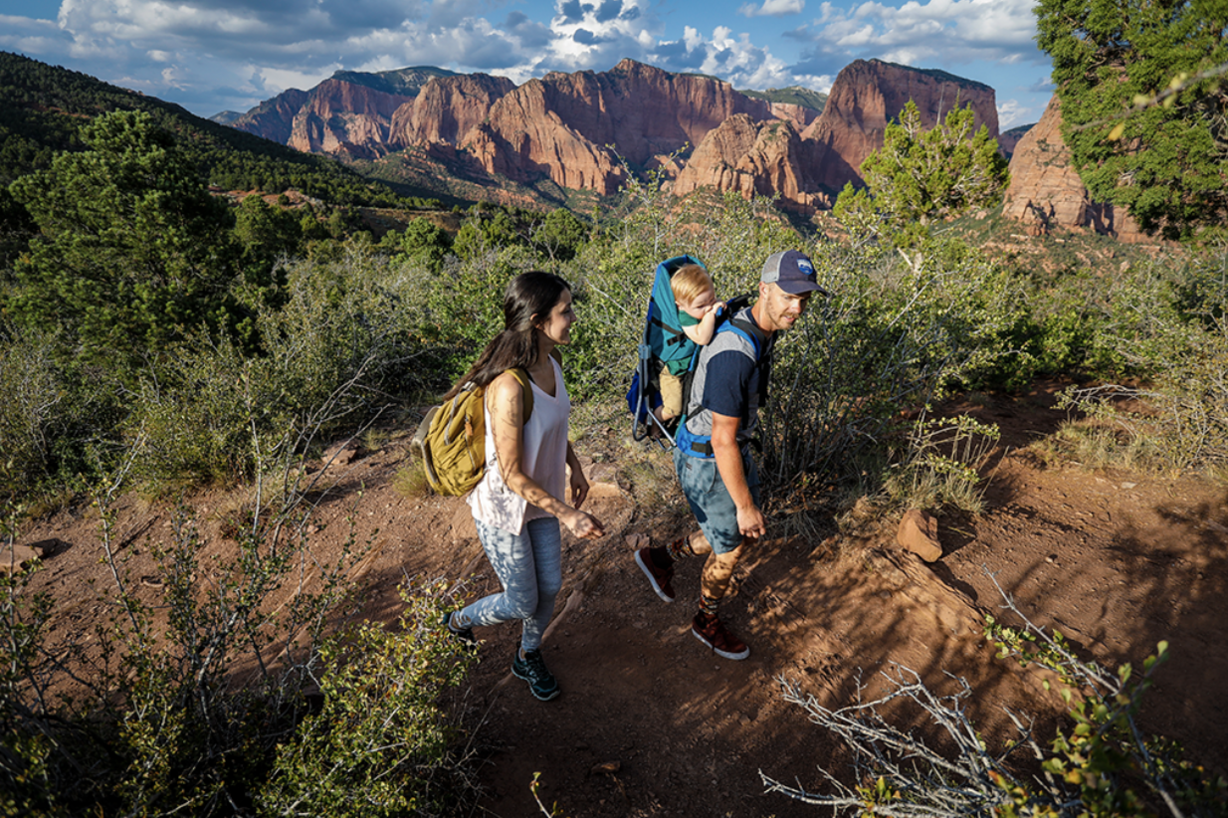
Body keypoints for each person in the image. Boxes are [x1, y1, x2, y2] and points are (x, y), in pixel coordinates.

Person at [634, 250, 821, 660]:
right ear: (764, 290)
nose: (797, 308)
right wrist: (744, 505)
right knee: (732, 547)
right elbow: (721, 439)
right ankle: (706, 621)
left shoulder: (756, 325)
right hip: (709, 459)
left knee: (732, 536)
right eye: (789, 296)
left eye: (804, 298)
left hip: (726, 451)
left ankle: (659, 557)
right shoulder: (736, 351)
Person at [442, 272, 605, 701]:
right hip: (505, 507)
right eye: (565, 310)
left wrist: (575, 467)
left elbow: (555, 422)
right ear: (537, 321)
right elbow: (513, 474)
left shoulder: (552, 363)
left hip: (543, 498)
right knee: (520, 600)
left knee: (549, 587)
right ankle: (458, 621)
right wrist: (568, 513)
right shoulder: (508, 387)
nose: (572, 317)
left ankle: (527, 654)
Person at [652, 263, 725, 428]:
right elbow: (702, 337)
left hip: (689, 367)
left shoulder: (696, 308)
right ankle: (652, 423)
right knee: (674, 408)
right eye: (701, 306)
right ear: (680, 305)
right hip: (672, 372)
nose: (707, 307)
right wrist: (712, 314)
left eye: (711, 299)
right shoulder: (685, 317)